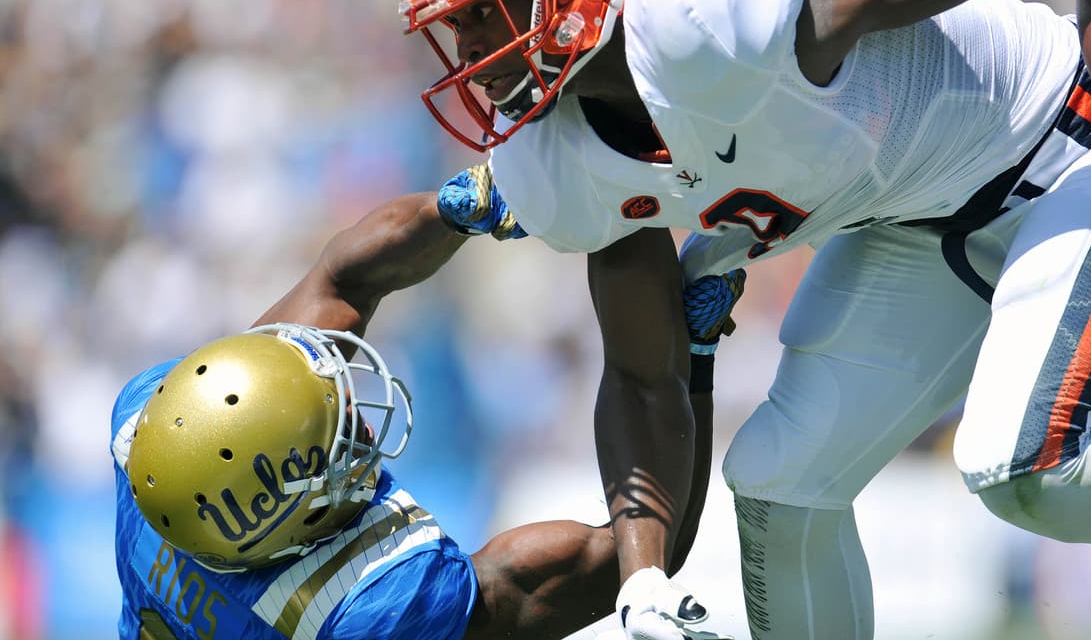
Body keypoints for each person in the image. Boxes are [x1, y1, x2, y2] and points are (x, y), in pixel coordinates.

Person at [395, 0, 1091, 639]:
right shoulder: (555, 160)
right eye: (456, 23)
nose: (476, 47)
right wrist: (645, 577)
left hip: (1083, 135)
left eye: (492, 5)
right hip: (920, 223)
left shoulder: (701, 7)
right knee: (780, 486)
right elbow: (641, 373)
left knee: (1021, 463)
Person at [111, 188, 745, 640]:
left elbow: (340, 280)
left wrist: (468, 202)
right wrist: (693, 357)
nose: (356, 416)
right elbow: (643, 555)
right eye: (332, 436)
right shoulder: (367, 609)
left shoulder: (153, 433)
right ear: (287, 518)